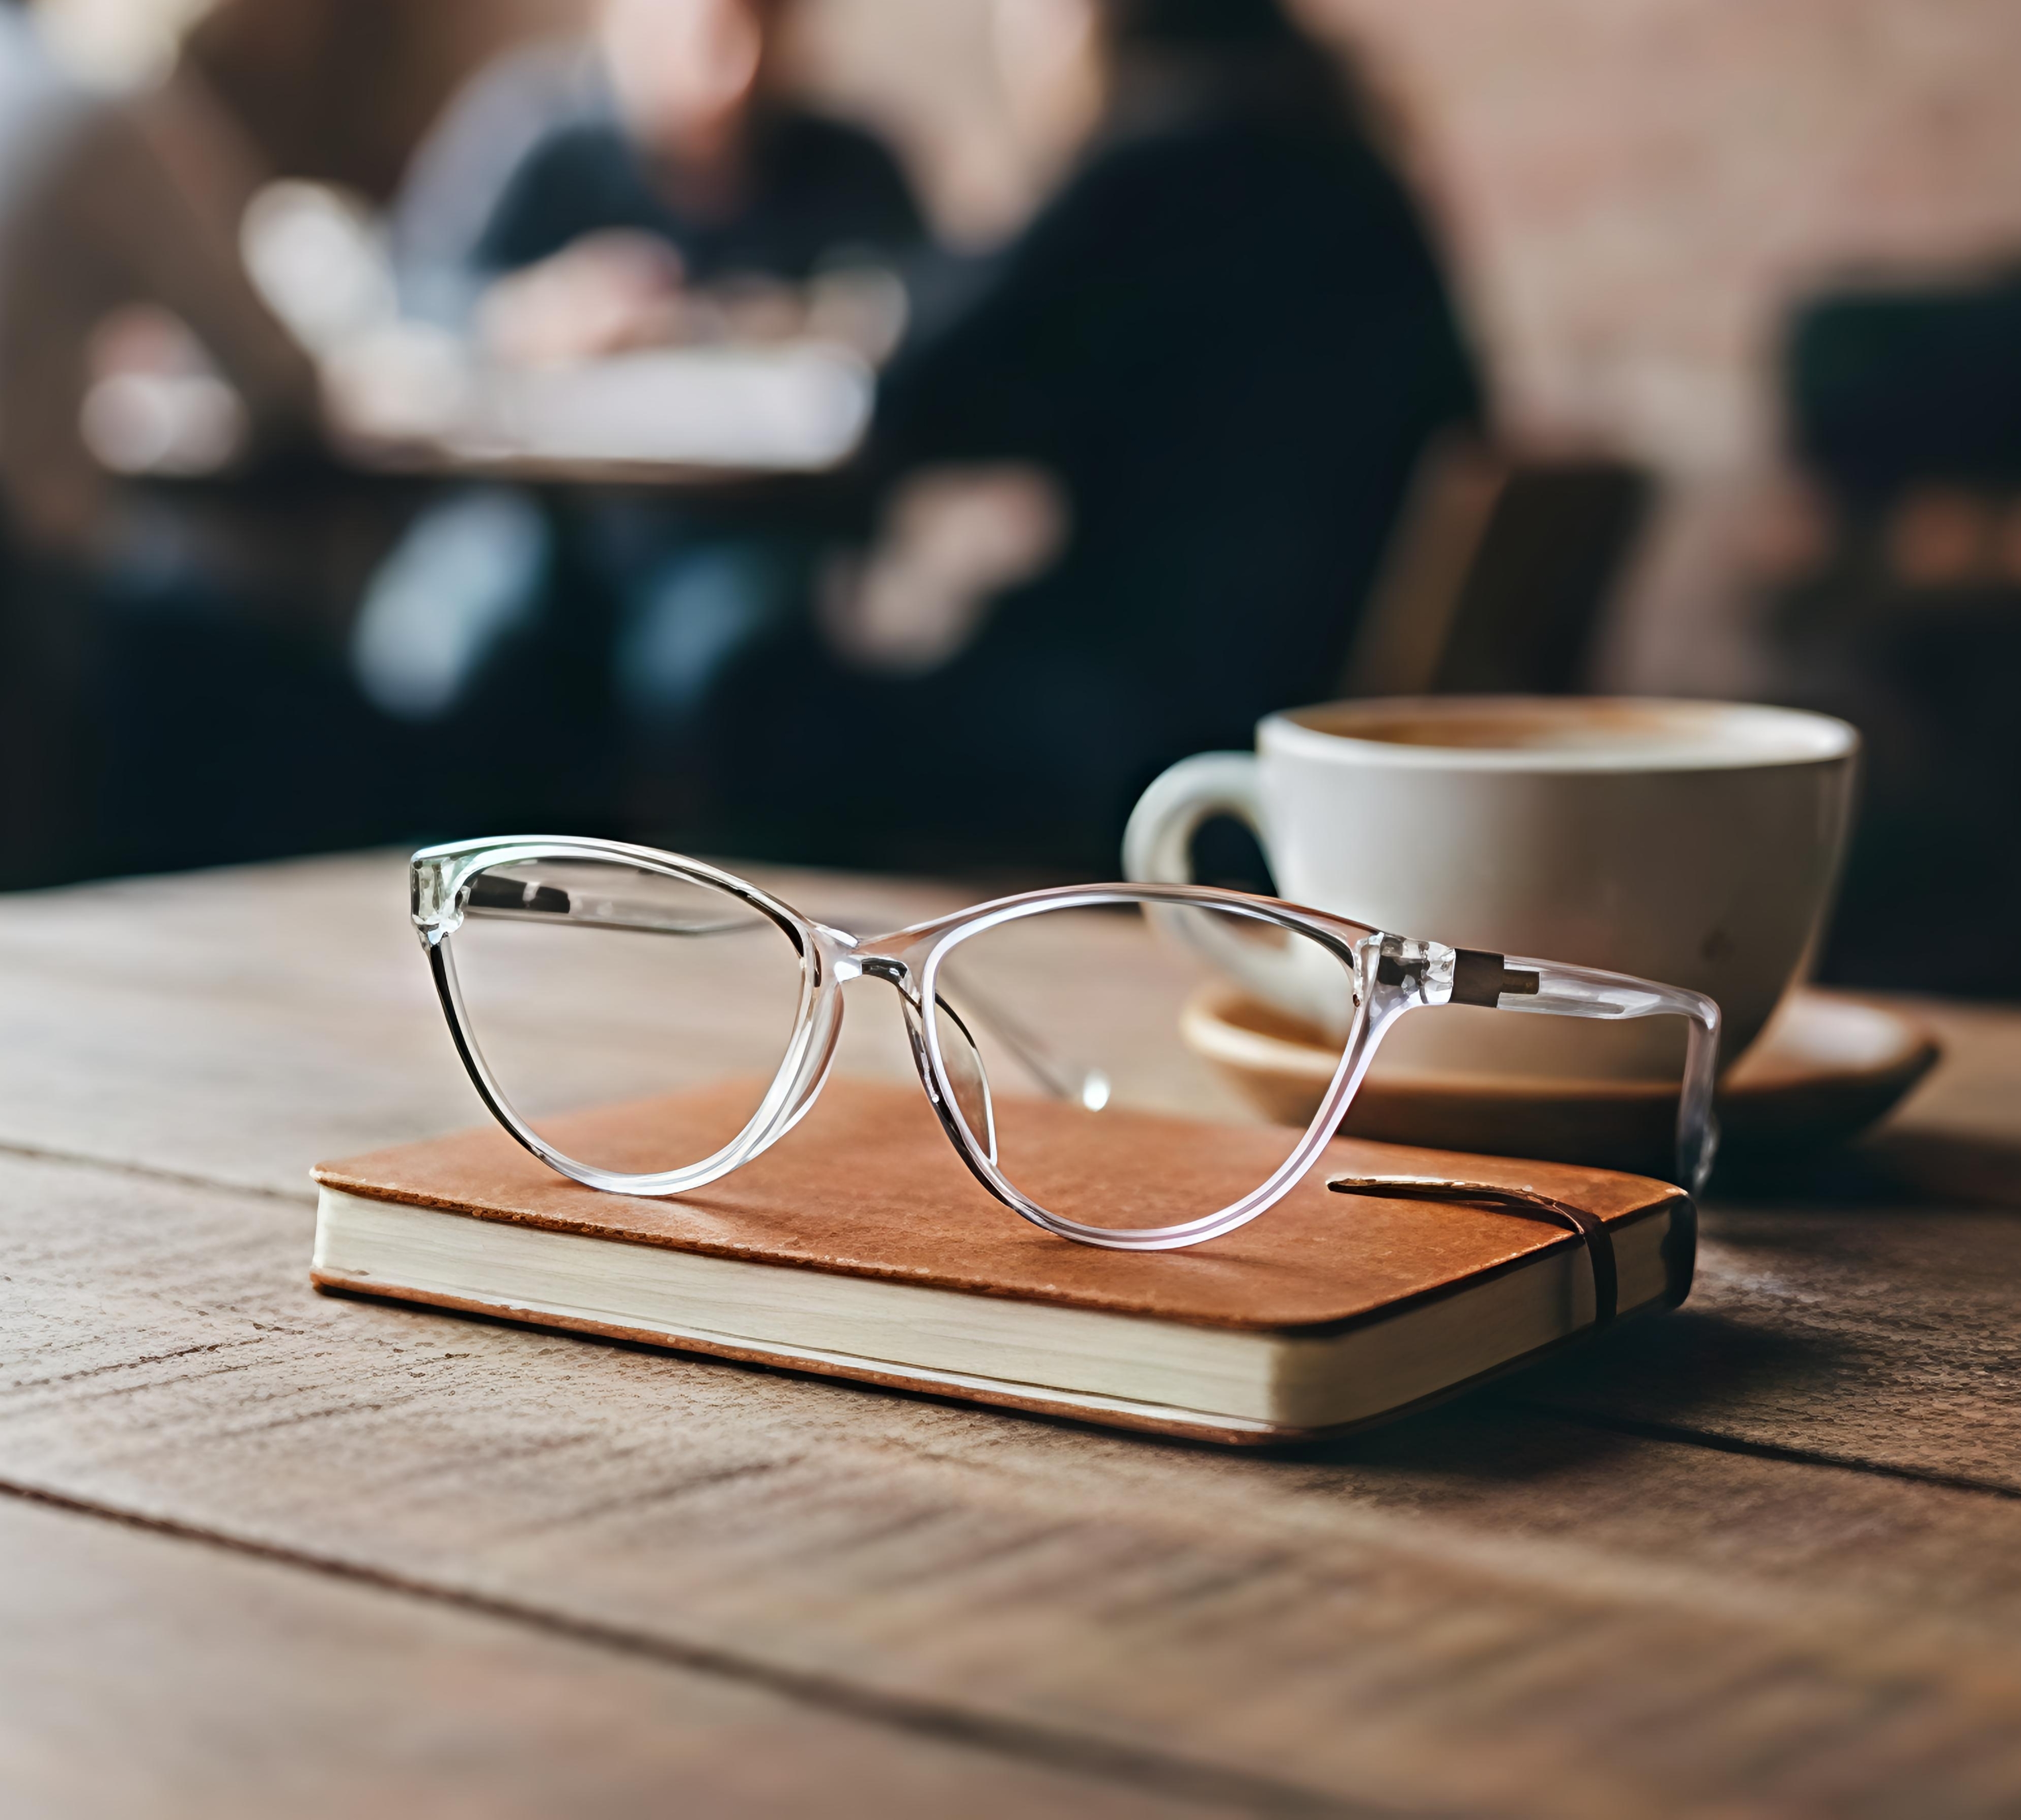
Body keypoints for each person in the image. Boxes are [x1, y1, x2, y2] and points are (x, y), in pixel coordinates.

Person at [705, 0, 1483, 874]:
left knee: (756, 693)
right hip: (1302, 682)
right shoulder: (1339, 158)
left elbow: (925, 388)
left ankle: (809, 957)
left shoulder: (1168, 166)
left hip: (1177, 716)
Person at [351, 0, 926, 758]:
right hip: (535, 515)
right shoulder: (536, 131)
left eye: (757, 30)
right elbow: (409, 295)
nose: (729, 73)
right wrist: (524, 315)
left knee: (731, 666)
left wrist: (762, 321)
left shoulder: (849, 166)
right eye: (698, 33)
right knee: (444, 654)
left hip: (743, 530)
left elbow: (928, 319)